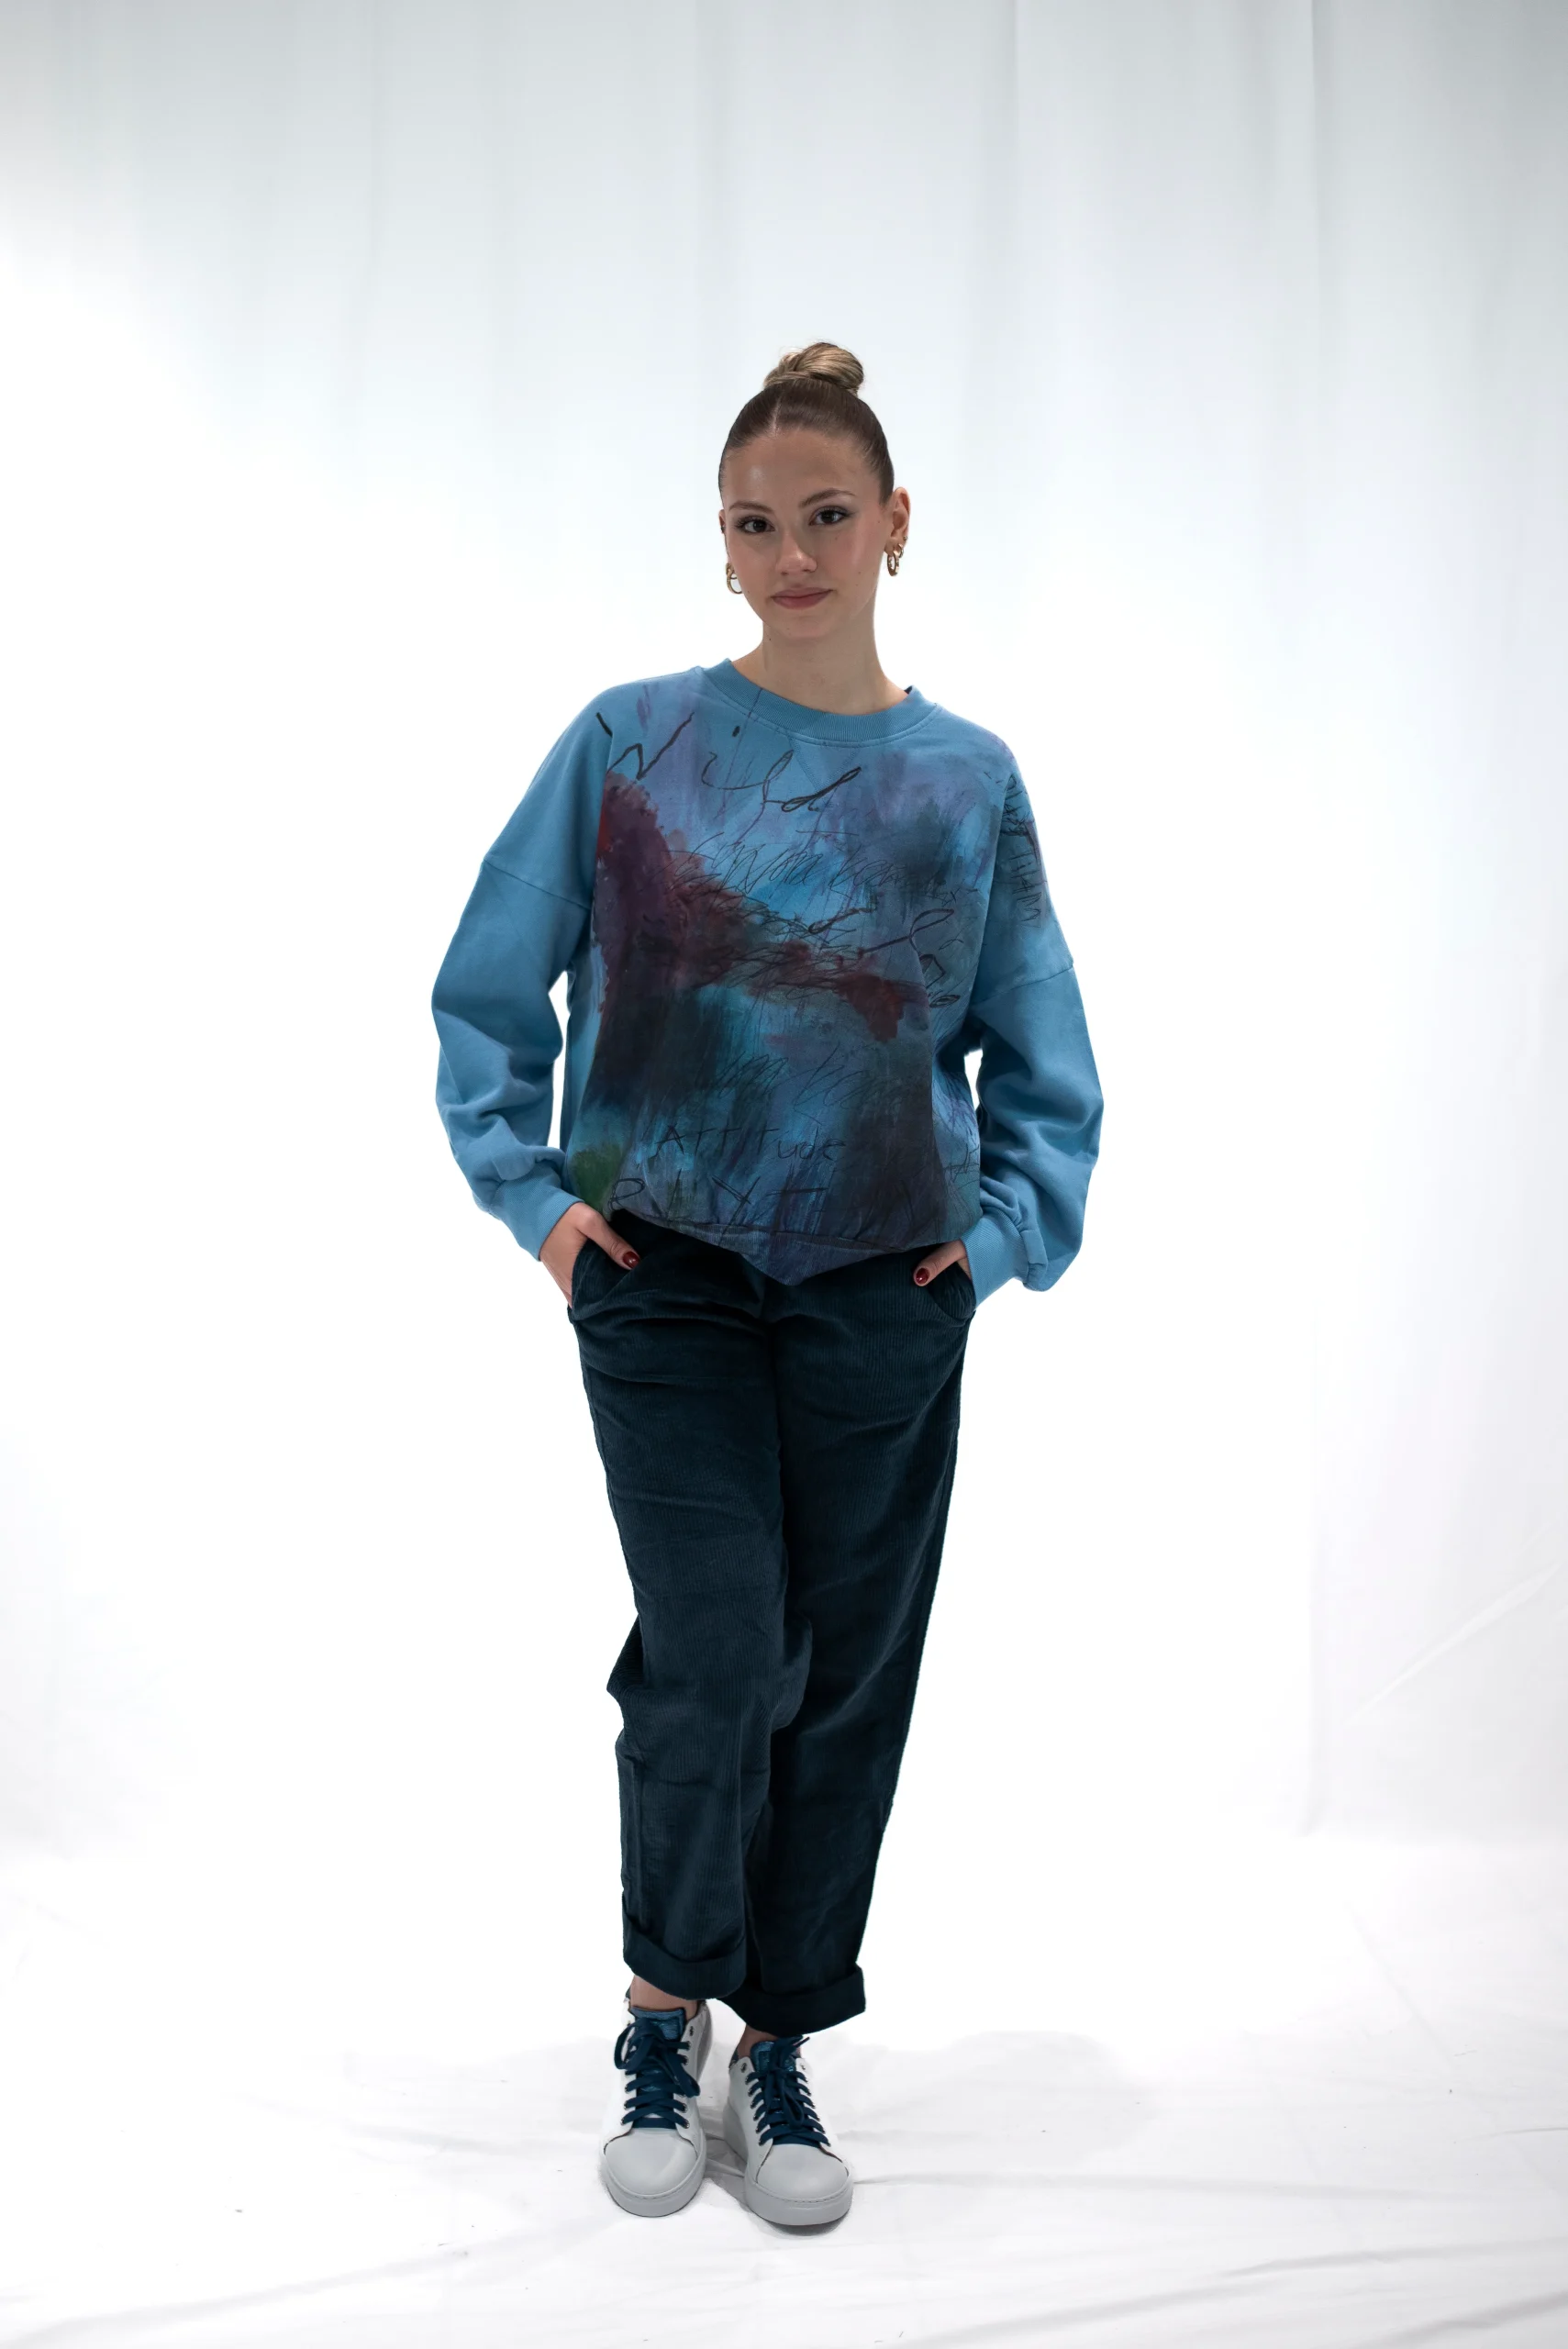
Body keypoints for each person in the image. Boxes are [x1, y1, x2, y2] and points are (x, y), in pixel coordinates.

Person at [431, 341, 1104, 2229]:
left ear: (894, 526)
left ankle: (781, 2037)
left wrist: (997, 1239)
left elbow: (1041, 1050)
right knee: (719, 1644)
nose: (791, 553)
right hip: (660, 1269)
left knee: (845, 1671)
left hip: (887, 1282)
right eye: (754, 523)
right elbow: (487, 990)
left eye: (825, 516)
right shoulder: (627, 743)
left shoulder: (965, 780)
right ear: (718, 544)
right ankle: (664, 2011)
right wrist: (537, 1204)